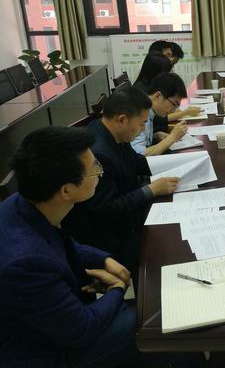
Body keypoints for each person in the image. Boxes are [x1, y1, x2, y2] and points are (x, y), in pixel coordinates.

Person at [0, 126, 138, 367]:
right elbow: (83, 329)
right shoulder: (25, 264)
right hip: (46, 353)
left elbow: (61, 241)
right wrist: (117, 289)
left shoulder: (23, 201)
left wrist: (103, 259)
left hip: (57, 322)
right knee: (149, 323)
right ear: (66, 190)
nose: (100, 172)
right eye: (95, 168)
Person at [63, 87, 180, 273]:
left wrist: (179, 162)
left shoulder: (111, 132)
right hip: (112, 234)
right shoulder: (99, 153)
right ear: (122, 120)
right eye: (142, 123)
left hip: (127, 212)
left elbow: (136, 162)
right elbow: (107, 209)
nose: (143, 129)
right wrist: (151, 190)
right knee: (171, 244)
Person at [134, 52, 201, 125]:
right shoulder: (141, 93)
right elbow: (158, 120)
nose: (168, 75)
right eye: (167, 72)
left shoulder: (149, 87)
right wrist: (185, 112)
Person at [131, 72, 189, 156]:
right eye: (173, 104)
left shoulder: (151, 110)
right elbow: (139, 155)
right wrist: (172, 137)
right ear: (158, 96)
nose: (173, 111)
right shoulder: (139, 112)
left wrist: (156, 136)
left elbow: (143, 138)